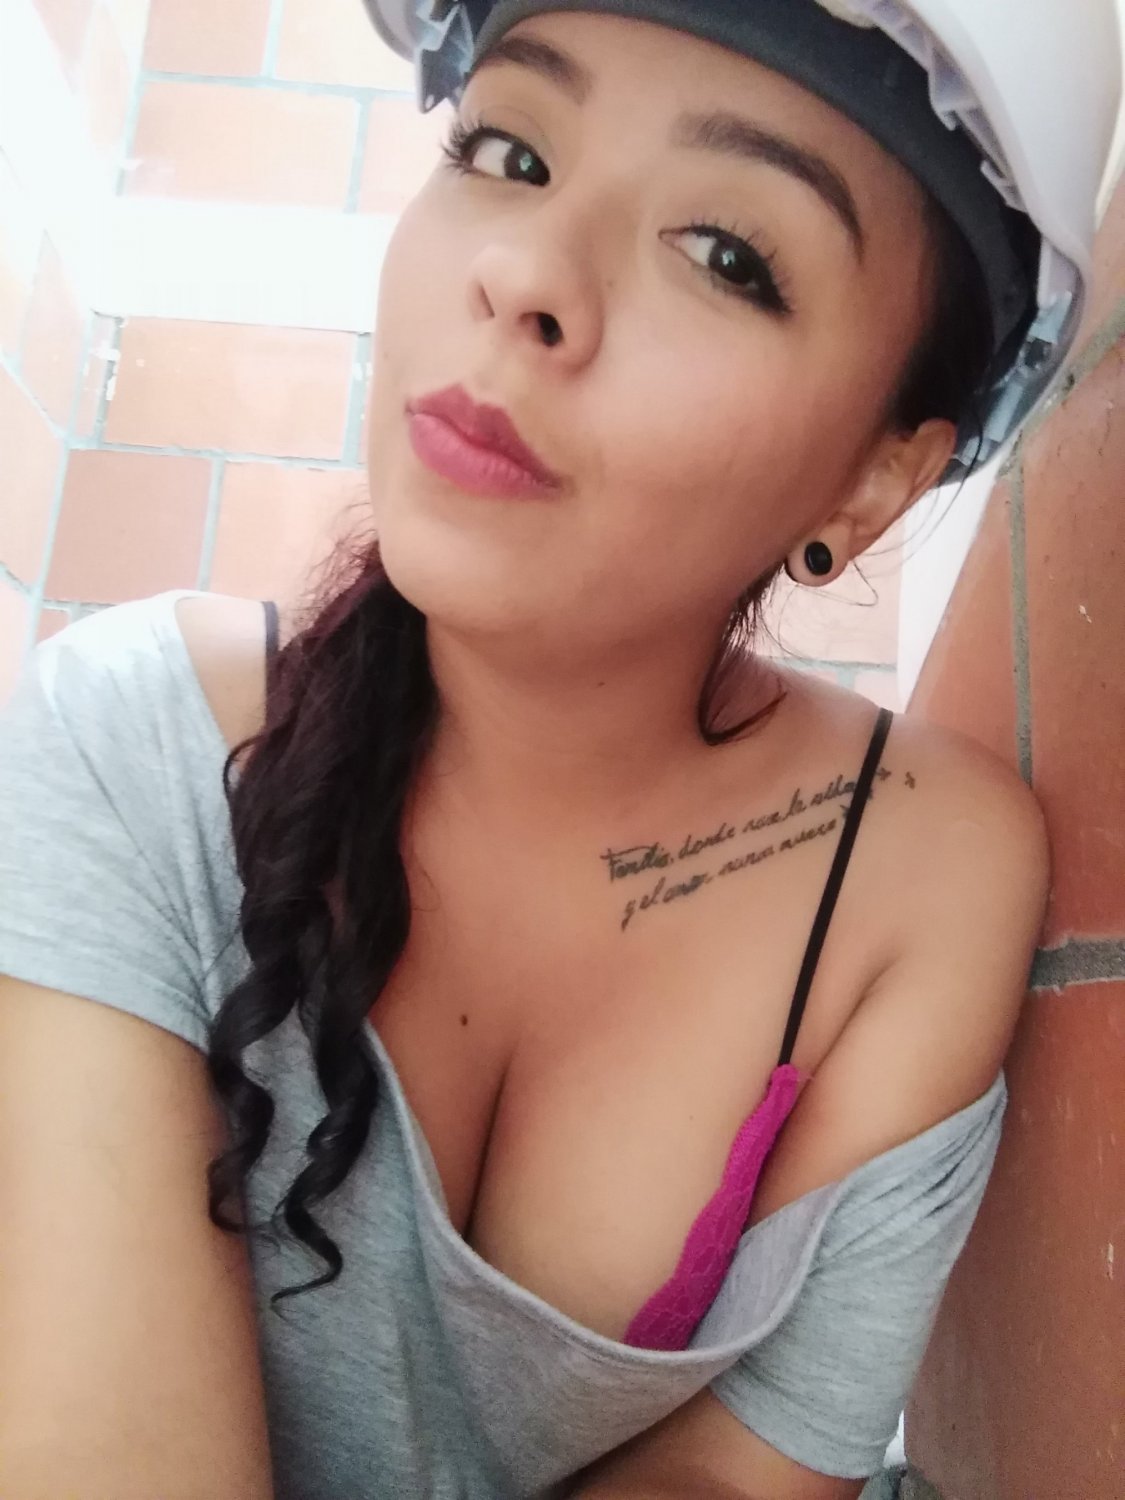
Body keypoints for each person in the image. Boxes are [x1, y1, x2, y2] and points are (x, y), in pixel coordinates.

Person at [0, 2, 1118, 1497]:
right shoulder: (126, 752)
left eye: (725, 255)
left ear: (871, 480)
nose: (526, 274)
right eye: (510, 152)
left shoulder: (914, 884)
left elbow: (738, 1475)